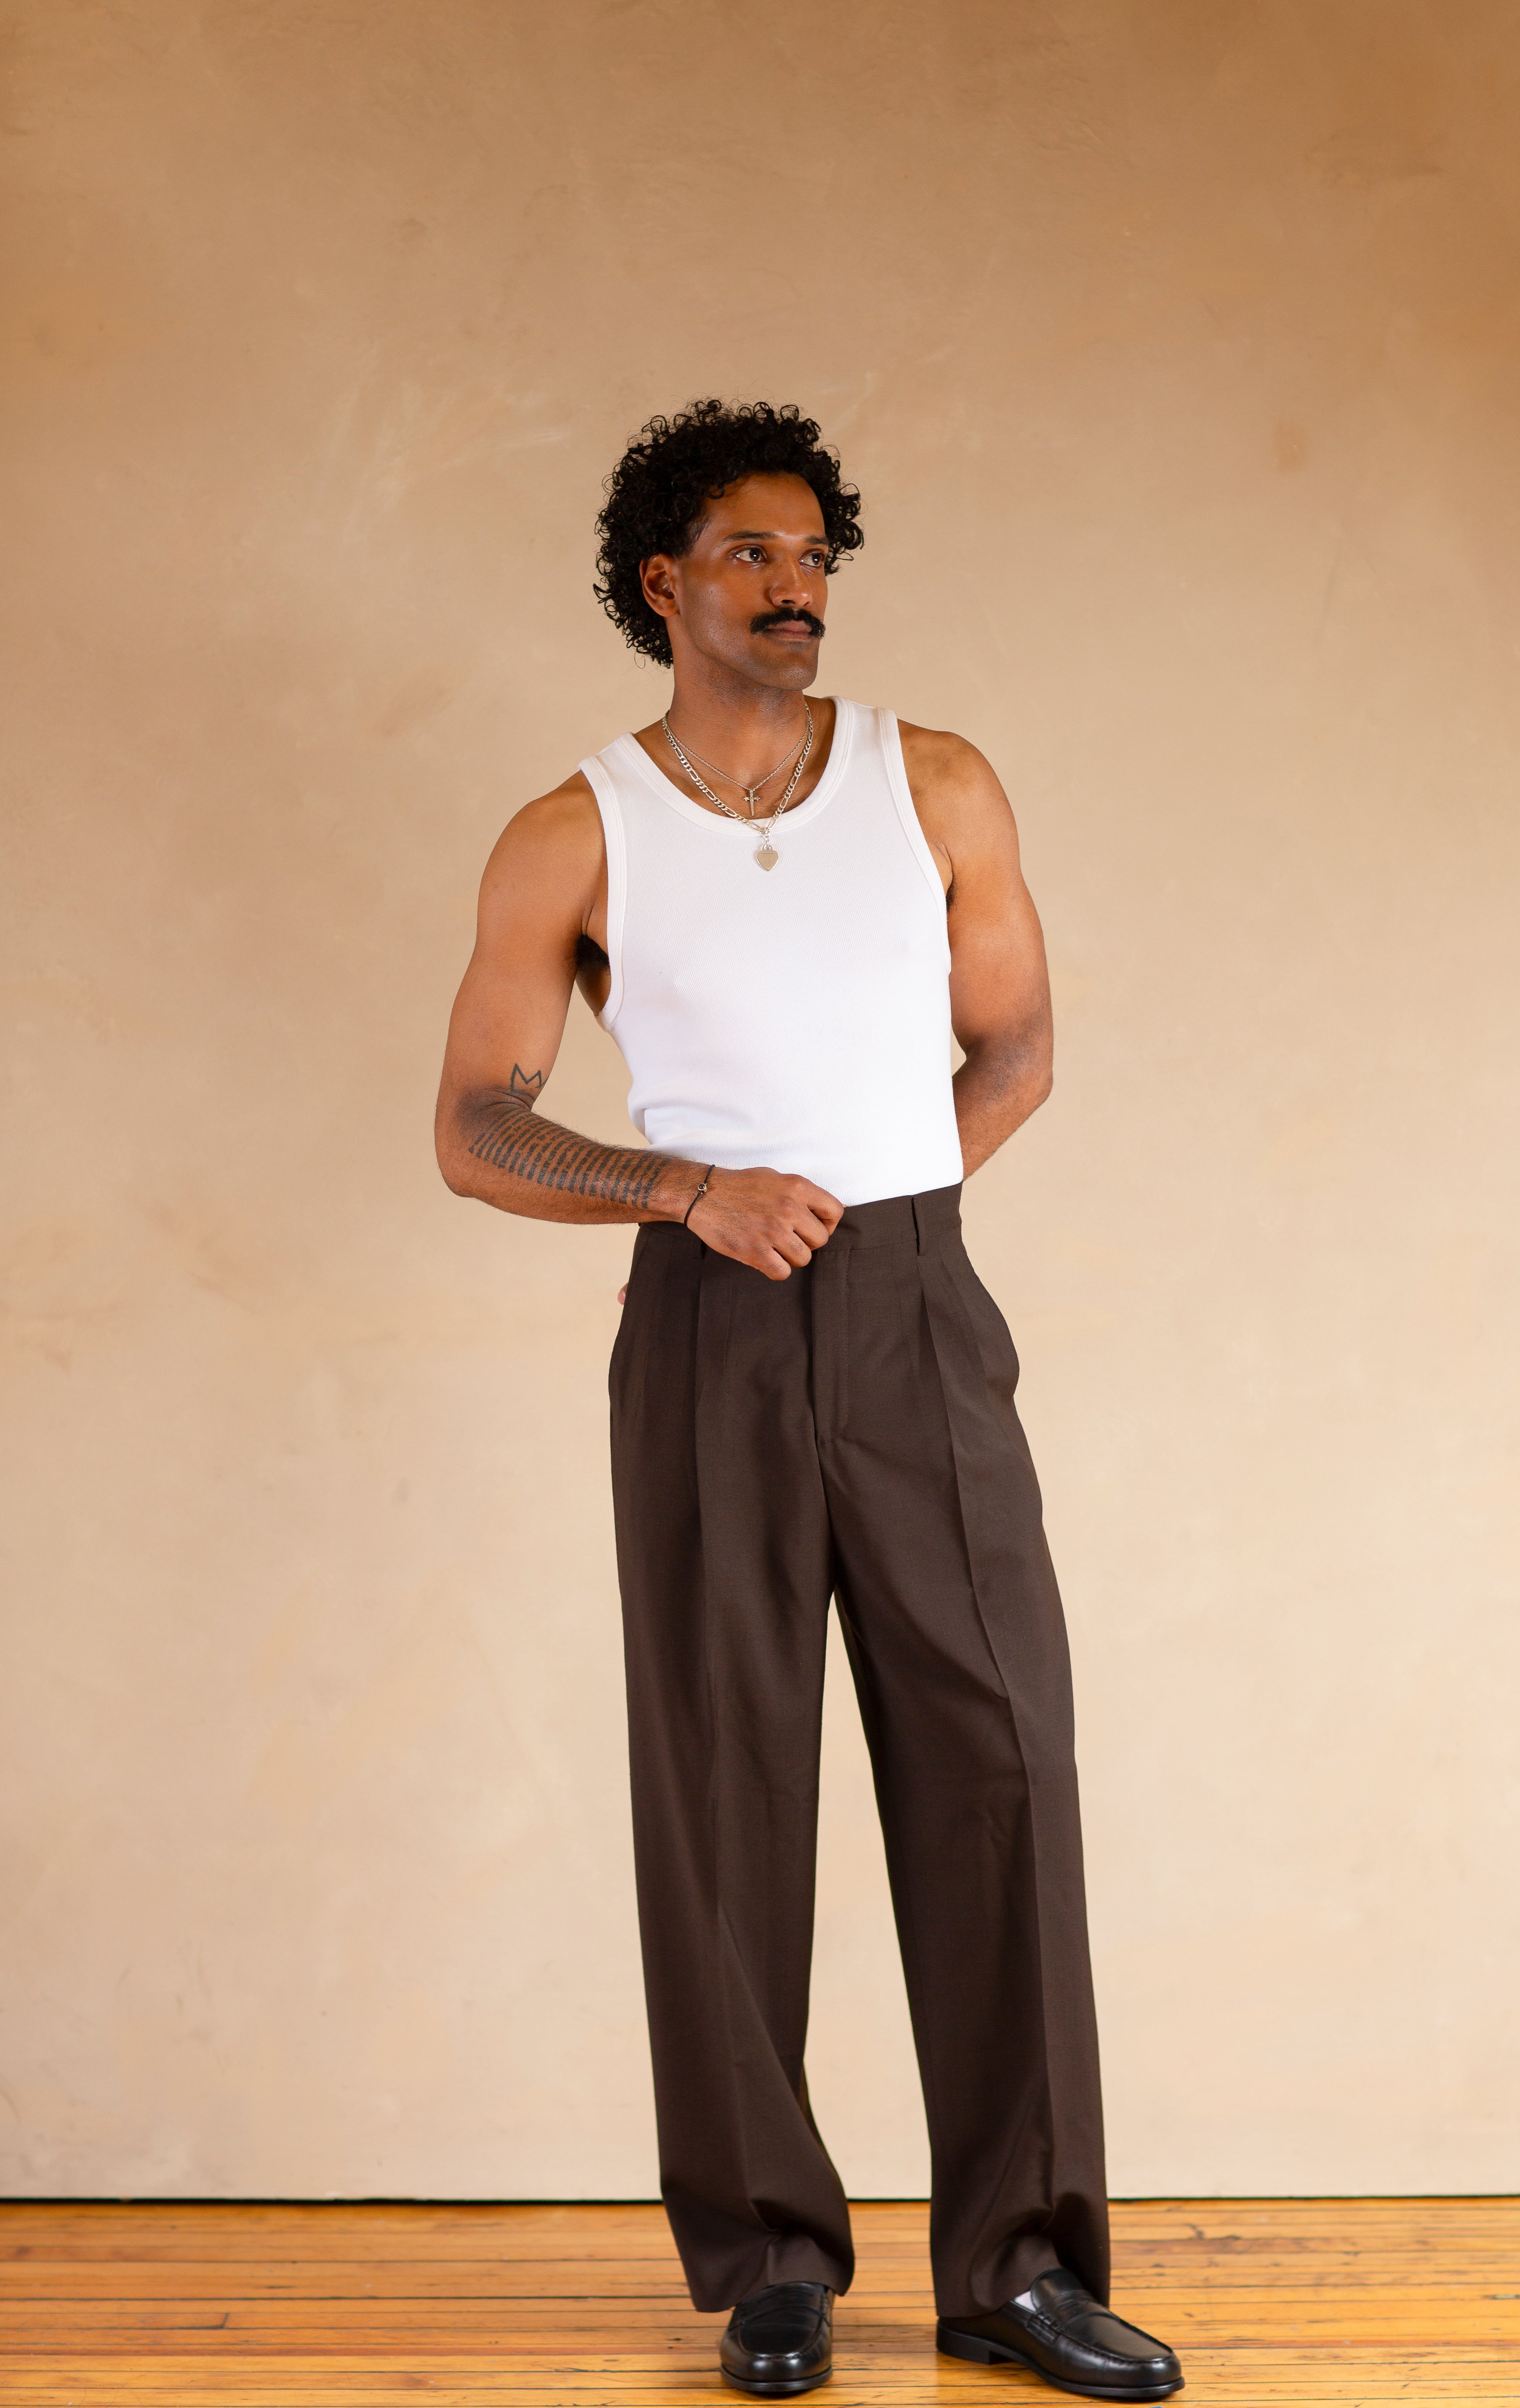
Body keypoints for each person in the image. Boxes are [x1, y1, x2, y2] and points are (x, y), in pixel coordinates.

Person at [434, 400, 1182, 2402]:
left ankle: (1017, 2267)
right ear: (662, 583)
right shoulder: (576, 830)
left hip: (913, 1304)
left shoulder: (932, 782)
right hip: (706, 1325)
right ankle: (768, 2257)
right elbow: (476, 1123)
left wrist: (877, 1217)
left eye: (814, 554)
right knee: (723, 1784)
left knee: (999, 1760)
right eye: (752, 555)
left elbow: (1013, 1050)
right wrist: (685, 1190)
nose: (796, 587)